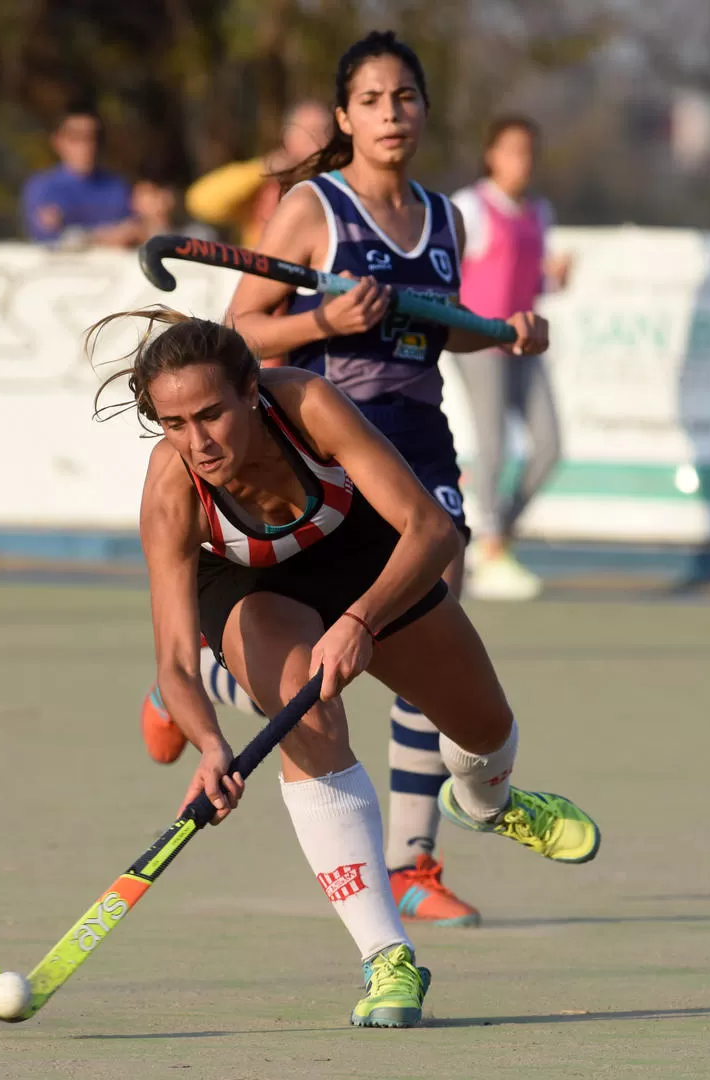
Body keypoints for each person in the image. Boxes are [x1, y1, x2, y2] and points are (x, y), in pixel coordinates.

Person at [99, 306, 600, 1028]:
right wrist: (211, 748)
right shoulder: (173, 488)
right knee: (310, 721)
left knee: (484, 729)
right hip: (250, 590)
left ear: (249, 389)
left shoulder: (306, 404)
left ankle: (488, 806)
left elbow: (428, 530)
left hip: (359, 556)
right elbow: (176, 660)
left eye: (210, 414)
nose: (197, 442)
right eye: (174, 424)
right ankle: (384, 955)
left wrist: (360, 621)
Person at [140, 31, 543, 928]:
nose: (390, 115)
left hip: (421, 442)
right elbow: (239, 335)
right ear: (343, 117)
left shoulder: (446, 218)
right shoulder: (312, 208)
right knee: (331, 666)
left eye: (404, 98)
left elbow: (445, 325)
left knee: (424, 630)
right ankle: (210, 677)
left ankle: (413, 860)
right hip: (328, 442)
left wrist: (503, 330)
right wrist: (326, 314)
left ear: (425, 110)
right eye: (371, 100)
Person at [450, 115, 572, 601]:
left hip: (525, 341)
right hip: (480, 340)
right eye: (512, 150)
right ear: (491, 155)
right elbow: (447, 270)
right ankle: (492, 547)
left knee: (549, 446)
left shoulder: (540, 212)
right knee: (493, 445)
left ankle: (493, 540)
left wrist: (557, 278)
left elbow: (535, 281)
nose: (522, 161)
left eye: (529, 151)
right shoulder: (469, 206)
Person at [184, 100, 332, 247]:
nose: (319, 140)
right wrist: (262, 170)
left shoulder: (339, 183)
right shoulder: (264, 184)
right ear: (288, 137)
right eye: (311, 132)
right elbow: (199, 202)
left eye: (325, 132)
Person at [21, 101, 142, 248]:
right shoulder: (42, 188)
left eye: (93, 137)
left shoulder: (117, 186)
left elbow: (137, 231)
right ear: (57, 141)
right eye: (76, 137)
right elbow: (48, 237)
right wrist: (103, 236)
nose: (86, 145)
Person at [130, 176, 219, 242]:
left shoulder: (199, 234)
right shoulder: (128, 237)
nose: (160, 201)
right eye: (150, 195)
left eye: (157, 194)